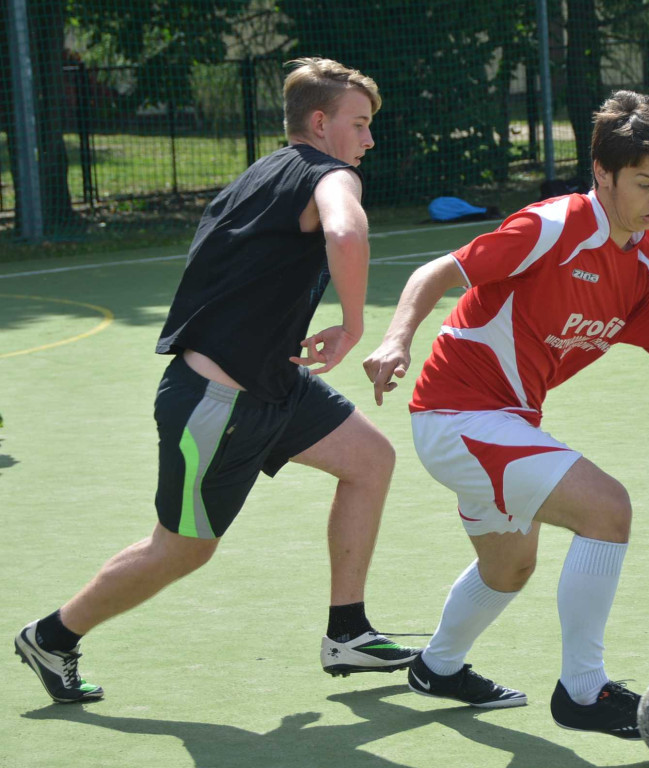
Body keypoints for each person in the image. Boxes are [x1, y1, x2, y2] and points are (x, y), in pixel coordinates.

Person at [362, 90, 649, 739]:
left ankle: (437, 668)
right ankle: (583, 692)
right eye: (644, 182)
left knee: (509, 568)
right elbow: (438, 271)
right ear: (603, 174)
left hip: (500, 422)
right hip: (457, 411)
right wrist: (396, 339)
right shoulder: (552, 226)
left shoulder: (647, 265)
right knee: (607, 509)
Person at [15, 57, 420, 704]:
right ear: (320, 123)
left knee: (370, 459)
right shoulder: (330, 174)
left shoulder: (262, 175)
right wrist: (349, 325)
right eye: (361, 124)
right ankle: (52, 635)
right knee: (180, 551)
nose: (369, 140)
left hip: (274, 384)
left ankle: (347, 631)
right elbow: (345, 229)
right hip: (216, 402)